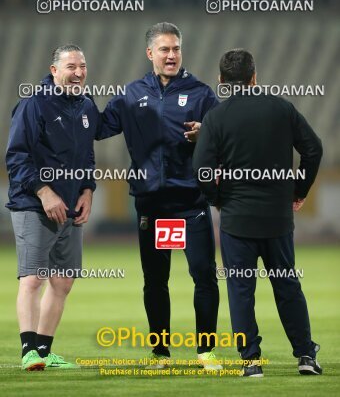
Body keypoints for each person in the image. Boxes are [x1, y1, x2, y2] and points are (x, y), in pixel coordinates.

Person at [96, 22, 221, 369]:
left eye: (176, 48)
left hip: (189, 204)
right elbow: (99, 127)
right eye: (164, 49)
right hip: (153, 204)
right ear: (150, 53)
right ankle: (160, 352)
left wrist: (206, 135)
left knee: (204, 275)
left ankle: (206, 350)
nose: (171, 55)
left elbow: (223, 139)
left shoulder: (201, 93)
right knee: (155, 281)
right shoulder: (131, 94)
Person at [193, 48, 323, 377]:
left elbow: (201, 168)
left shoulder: (216, 118)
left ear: (221, 81)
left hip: (237, 219)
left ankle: (251, 361)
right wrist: (299, 190)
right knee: (287, 285)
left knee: (240, 290)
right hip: (278, 218)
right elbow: (314, 148)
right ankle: (306, 355)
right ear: (254, 76)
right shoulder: (282, 108)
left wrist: (218, 197)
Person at [6, 45, 97, 371]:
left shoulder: (87, 106)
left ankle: (45, 352)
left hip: (71, 206)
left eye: (82, 66)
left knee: (63, 282)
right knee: (33, 278)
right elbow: (16, 157)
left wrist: (88, 190)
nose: (78, 72)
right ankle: (28, 350)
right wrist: (44, 192)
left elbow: (87, 156)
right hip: (34, 204)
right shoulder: (34, 105)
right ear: (54, 70)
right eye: (71, 66)